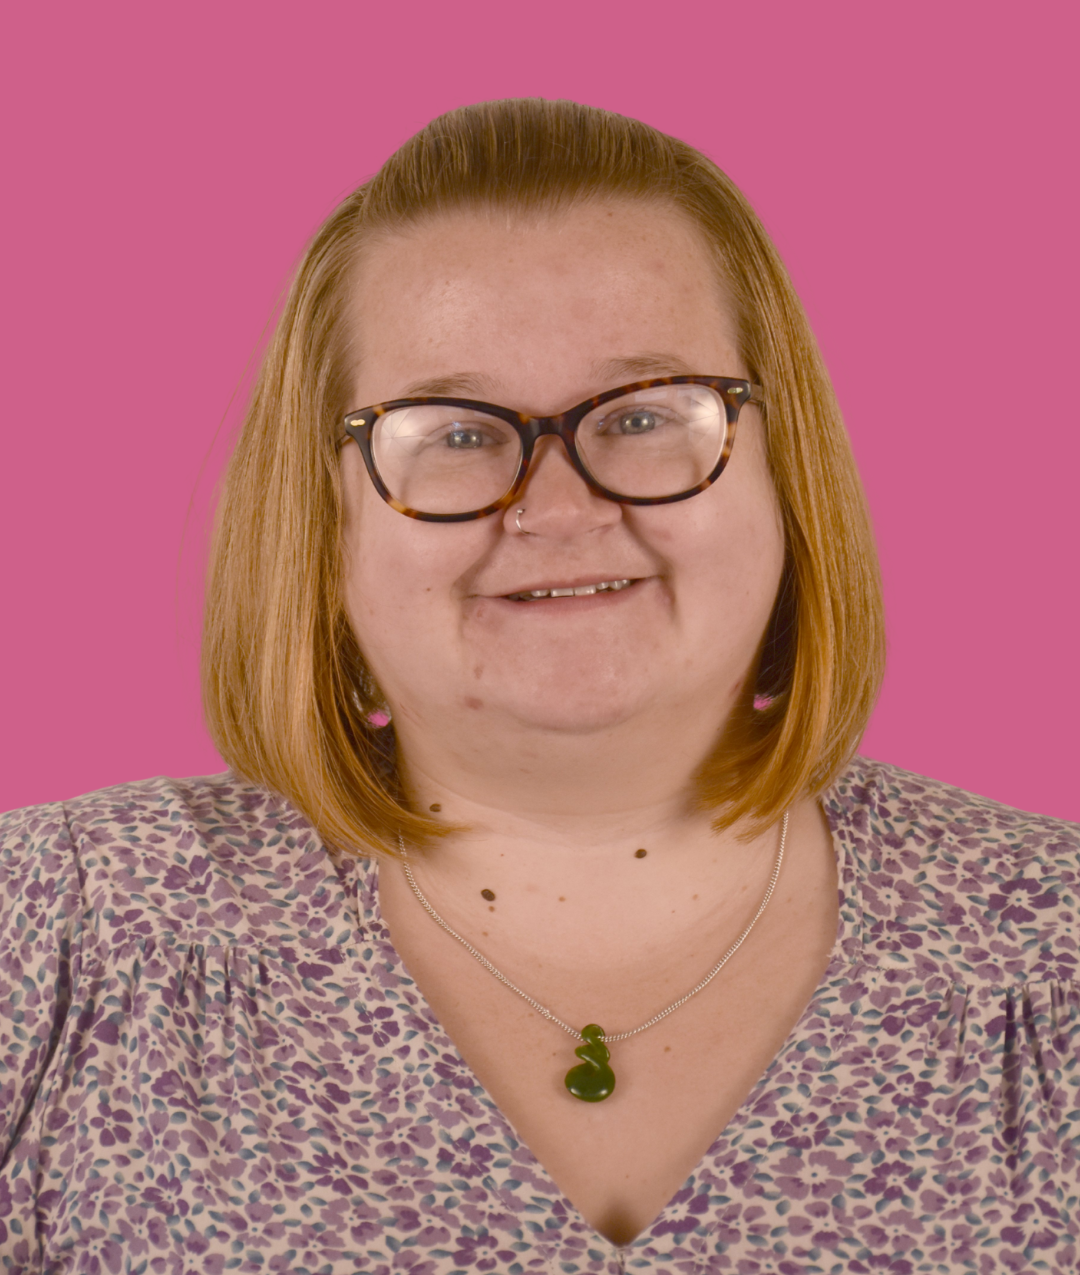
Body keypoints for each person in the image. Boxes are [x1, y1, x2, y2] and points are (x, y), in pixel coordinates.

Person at [1, 100, 1076, 1275]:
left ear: (786, 465)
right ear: (323, 513)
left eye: (645, 415)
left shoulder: (1054, 940)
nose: (560, 510)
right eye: (456, 435)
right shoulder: (56, 927)